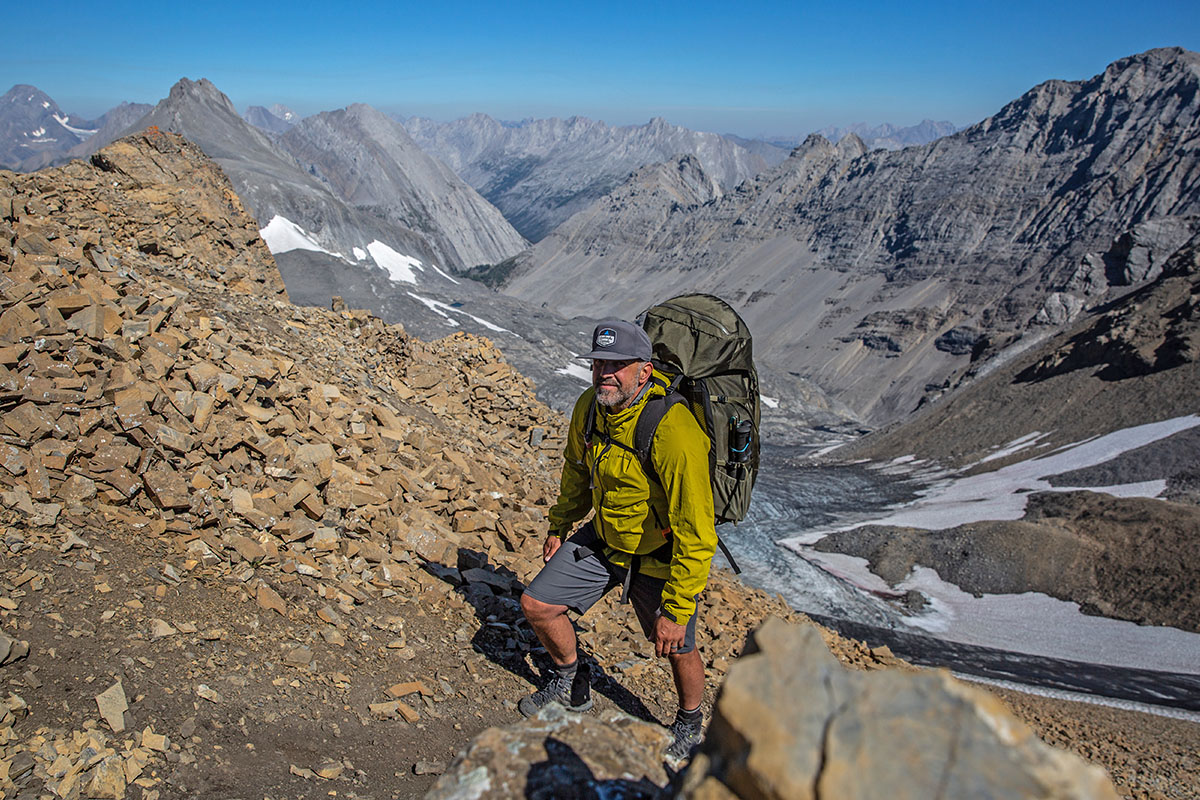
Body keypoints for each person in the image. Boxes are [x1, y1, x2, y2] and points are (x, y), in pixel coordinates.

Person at [518, 319, 717, 763]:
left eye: (617, 365)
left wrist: (678, 609)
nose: (605, 372)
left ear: (644, 371)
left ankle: (689, 725)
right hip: (606, 536)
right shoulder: (589, 406)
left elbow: (697, 532)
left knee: (676, 644)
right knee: (537, 604)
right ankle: (570, 679)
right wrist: (559, 525)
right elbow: (575, 471)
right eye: (599, 363)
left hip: (659, 553)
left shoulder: (674, 430)